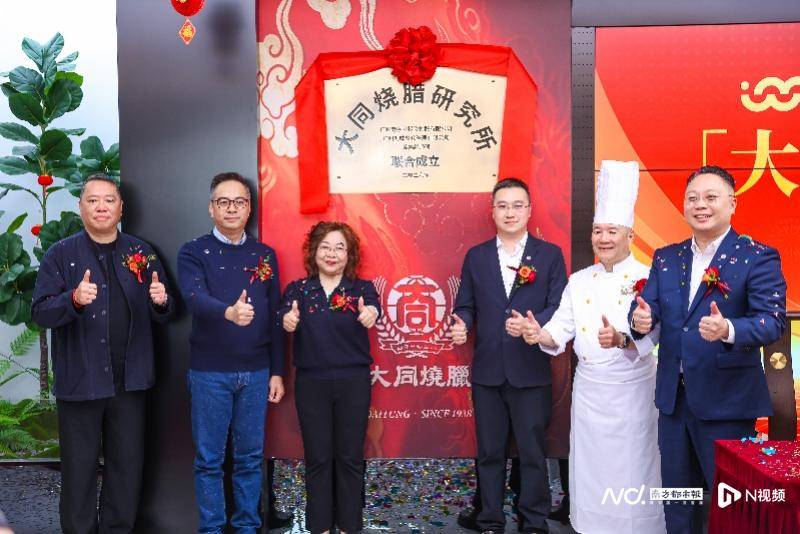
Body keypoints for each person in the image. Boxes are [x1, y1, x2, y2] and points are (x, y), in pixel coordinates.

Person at [628, 165, 787, 534]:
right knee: (678, 501)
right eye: (693, 198)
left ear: (732, 203)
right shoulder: (666, 257)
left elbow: (772, 321)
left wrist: (728, 328)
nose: (700, 205)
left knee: (730, 504)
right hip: (673, 400)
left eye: (711, 197)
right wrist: (639, 319)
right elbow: (647, 308)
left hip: (727, 401)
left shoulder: (757, 256)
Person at [524, 161, 665, 533]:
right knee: (592, 468)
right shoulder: (580, 280)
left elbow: (655, 335)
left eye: (612, 231)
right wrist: (538, 334)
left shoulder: (649, 276)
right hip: (589, 391)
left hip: (633, 390)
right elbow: (560, 328)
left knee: (635, 465)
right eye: (597, 231)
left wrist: (621, 340)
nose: (603, 238)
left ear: (630, 235)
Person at [32, 173, 174, 533]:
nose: (101, 207)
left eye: (109, 200)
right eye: (92, 200)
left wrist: (161, 302)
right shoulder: (60, 254)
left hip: (130, 381)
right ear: (81, 207)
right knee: (79, 469)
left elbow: (165, 310)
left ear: (120, 207)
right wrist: (73, 300)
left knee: (126, 467)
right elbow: (40, 312)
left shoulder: (141, 252)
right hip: (81, 380)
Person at [450, 177, 568, 534]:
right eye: (502, 206)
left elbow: (559, 305)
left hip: (531, 370)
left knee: (532, 452)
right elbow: (466, 304)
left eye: (517, 205)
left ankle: (533, 521)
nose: (510, 212)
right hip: (488, 371)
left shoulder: (549, 255)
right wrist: (461, 323)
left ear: (530, 211)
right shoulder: (477, 256)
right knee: (489, 452)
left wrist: (535, 325)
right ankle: (490, 520)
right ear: (493, 211)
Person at [177, 172, 285, 534]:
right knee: (209, 460)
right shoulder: (193, 252)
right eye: (223, 202)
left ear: (249, 207)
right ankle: (211, 528)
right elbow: (194, 297)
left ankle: (247, 527)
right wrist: (229, 312)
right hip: (210, 373)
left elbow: (275, 316)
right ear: (211, 208)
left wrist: (277, 371)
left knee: (250, 459)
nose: (232, 208)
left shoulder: (264, 255)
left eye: (239, 201)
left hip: (256, 372)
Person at [281, 221, 380, 534]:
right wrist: (288, 320)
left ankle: (350, 526)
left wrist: (370, 314)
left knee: (350, 457)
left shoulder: (362, 289)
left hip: (353, 383)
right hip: (312, 384)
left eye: (339, 247)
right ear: (314, 252)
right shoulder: (298, 290)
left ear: (349, 255)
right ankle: (320, 527)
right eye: (325, 247)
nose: (332, 253)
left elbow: (373, 310)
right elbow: (285, 316)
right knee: (318, 458)